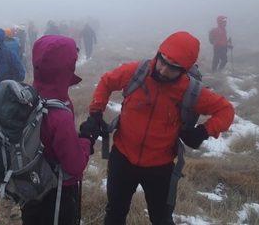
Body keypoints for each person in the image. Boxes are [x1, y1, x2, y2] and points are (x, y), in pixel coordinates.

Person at [80, 31, 235, 225]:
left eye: (173, 67)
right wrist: (95, 113)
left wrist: (203, 132)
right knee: (115, 213)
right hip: (122, 158)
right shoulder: (138, 72)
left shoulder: (190, 91)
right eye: (162, 60)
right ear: (159, 53)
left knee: (161, 219)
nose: (162, 70)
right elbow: (106, 82)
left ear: (185, 70)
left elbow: (226, 110)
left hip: (160, 167)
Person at [21, 35, 92, 225]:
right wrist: (86, 141)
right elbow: (74, 166)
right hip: (58, 192)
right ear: (65, 67)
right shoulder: (59, 114)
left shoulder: (28, 99)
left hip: (31, 185)